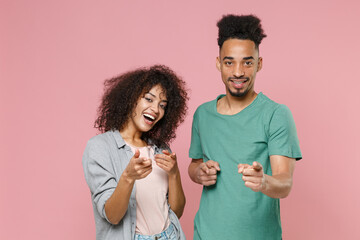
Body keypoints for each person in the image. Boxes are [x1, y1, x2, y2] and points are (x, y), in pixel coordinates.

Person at [188, 14, 302, 240]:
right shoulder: (203, 114)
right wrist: (199, 173)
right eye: (229, 62)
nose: (238, 72)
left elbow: (284, 182)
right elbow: (194, 165)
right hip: (205, 234)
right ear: (219, 63)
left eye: (247, 62)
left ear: (259, 64)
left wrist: (264, 182)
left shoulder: (276, 115)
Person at [83, 65, 188, 240]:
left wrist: (174, 174)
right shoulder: (100, 147)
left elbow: (176, 212)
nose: (155, 109)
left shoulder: (161, 149)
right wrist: (128, 177)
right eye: (149, 99)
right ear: (131, 98)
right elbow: (113, 216)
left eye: (162, 105)